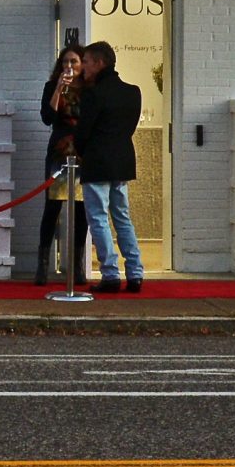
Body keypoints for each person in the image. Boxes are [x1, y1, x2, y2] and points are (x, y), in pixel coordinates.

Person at [72, 40, 144, 294]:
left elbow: (83, 132)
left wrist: (81, 151)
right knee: (122, 217)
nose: (83, 67)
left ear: (100, 63)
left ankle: (111, 273)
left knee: (99, 218)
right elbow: (129, 128)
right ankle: (135, 272)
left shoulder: (93, 94)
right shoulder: (132, 92)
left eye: (87, 62)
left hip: (97, 162)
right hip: (121, 160)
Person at [34, 44, 91, 285]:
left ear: (82, 65)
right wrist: (58, 88)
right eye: (65, 62)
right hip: (59, 152)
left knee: (81, 210)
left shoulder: (90, 89)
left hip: (83, 152)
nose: (69, 66)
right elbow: (47, 118)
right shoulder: (52, 86)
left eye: (74, 62)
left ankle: (77, 266)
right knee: (52, 208)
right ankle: (42, 266)